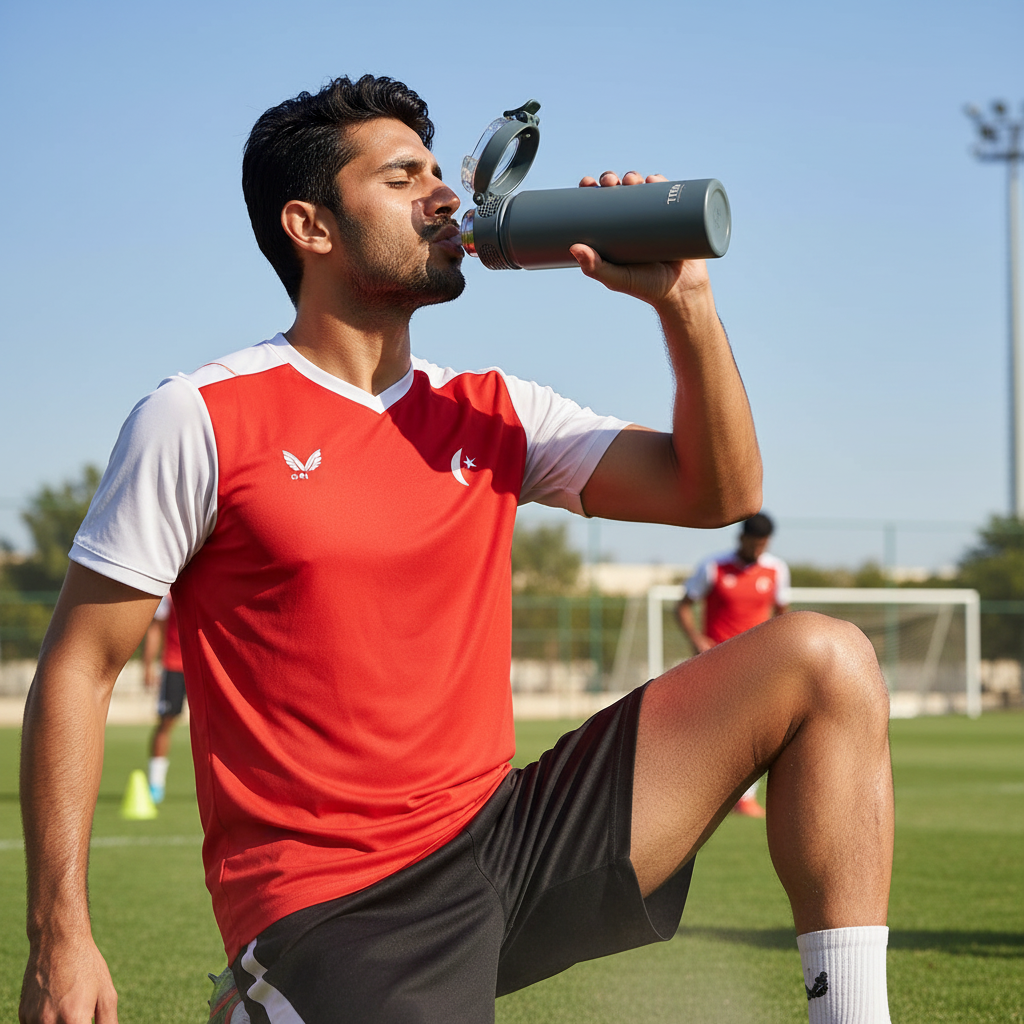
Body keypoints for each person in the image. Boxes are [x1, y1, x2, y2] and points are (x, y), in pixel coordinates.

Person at [19, 75, 895, 1024]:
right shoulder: (197, 418)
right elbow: (80, 666)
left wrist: (683, 305)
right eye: (403, 180)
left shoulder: (495, 408)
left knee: (824, 661)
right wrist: (60, 934)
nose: (445, 198)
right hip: (344, 902)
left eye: (442, 174)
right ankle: (268, 997)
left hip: (509, 841)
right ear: (310, 227)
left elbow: (721, 492)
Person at [676, 512, 791, 817]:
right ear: (741, 538)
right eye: (754, 543)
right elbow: (683, 608)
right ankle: (696, 794)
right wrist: (697, 639)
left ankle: (745, 798)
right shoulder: (713, 566)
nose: (758, 550)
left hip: (757, 665)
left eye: (763, 544)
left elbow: (783, 614)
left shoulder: (777, 570)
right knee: (709, 728)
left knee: (757, 728)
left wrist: (777, 649)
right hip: (716, 663)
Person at [141, 594, 186, 803]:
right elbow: (155, 629)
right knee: (166, 722)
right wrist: (148, 665)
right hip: (174, 665)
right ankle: (155, 784)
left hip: (205, 665)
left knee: (214, 727)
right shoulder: (168, 596)